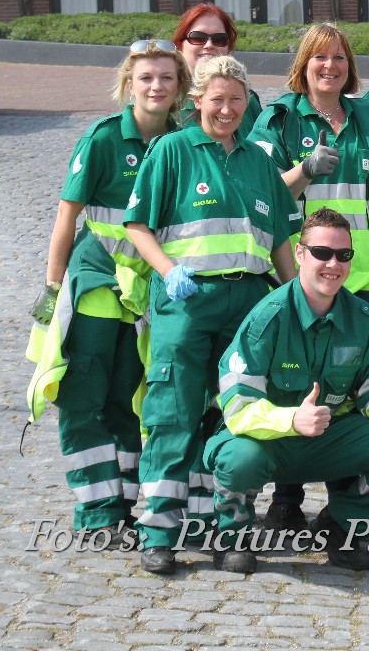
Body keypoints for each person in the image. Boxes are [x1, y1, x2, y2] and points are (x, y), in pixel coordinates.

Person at [124, 55, 300, 575]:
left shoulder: (258, 162)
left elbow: (282, 239)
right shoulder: (172, 150)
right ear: (197, 100)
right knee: (172, 413)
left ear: (247, 103)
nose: (227, 110)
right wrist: (167, 271)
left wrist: (294, 297)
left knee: (236, 416)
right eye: (217, 99)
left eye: (236, 100)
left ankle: (228, 532)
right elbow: (137, 225)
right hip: (186, 302)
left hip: (246, 306)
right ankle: (159, 533)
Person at [203, 208, 369, 574]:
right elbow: (238, 405)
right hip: (268, 442)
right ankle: (233, 536)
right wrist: (292, 419)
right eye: (322, 253)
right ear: (300, 253)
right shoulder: (267, 317)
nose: (333, 264)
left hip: (328, 440)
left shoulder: (365, 320)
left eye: (344, 255)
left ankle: (340, 527)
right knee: (237, 458)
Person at [26, 39, 189, 538]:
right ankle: (98, 512)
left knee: (127, 399)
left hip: (148, 292)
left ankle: (123, 505)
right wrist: (53, 286)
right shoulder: (102, 140)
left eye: (166, 77)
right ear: (128, 85)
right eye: (146, 78)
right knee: (83, 396)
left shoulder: (182, 142)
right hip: (98, 283)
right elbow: (66, 215)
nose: (156, 86)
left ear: (180, 86)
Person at [250, 23, 369, 531]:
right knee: (294, 382)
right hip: (302, 276)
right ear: (304, 65)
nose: (330, 66)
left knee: (353, 390)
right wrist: (305, 170)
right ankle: (286, 498)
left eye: (338, 58)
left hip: (363, 276)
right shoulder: (279, 119)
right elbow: (262, 194)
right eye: (319, 57)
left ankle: (344, 503)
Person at [172, 3, 262, 138]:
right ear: (180, 46)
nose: (209, 45)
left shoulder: (249, 100)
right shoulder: (166, 99)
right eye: (198, 37)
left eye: (219, 39)